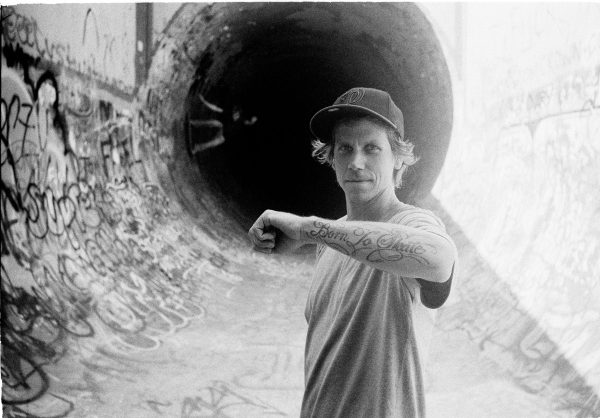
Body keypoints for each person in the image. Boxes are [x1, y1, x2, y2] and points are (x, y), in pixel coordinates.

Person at [247, 87, 457, 417]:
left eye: (372, 148)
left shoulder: (412, 221)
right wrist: (319, 236)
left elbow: (440, 258)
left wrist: (308, 229)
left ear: (399, 157)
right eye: (345, 148)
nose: (356, 162)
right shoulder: (330, 246)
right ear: (330, 157)